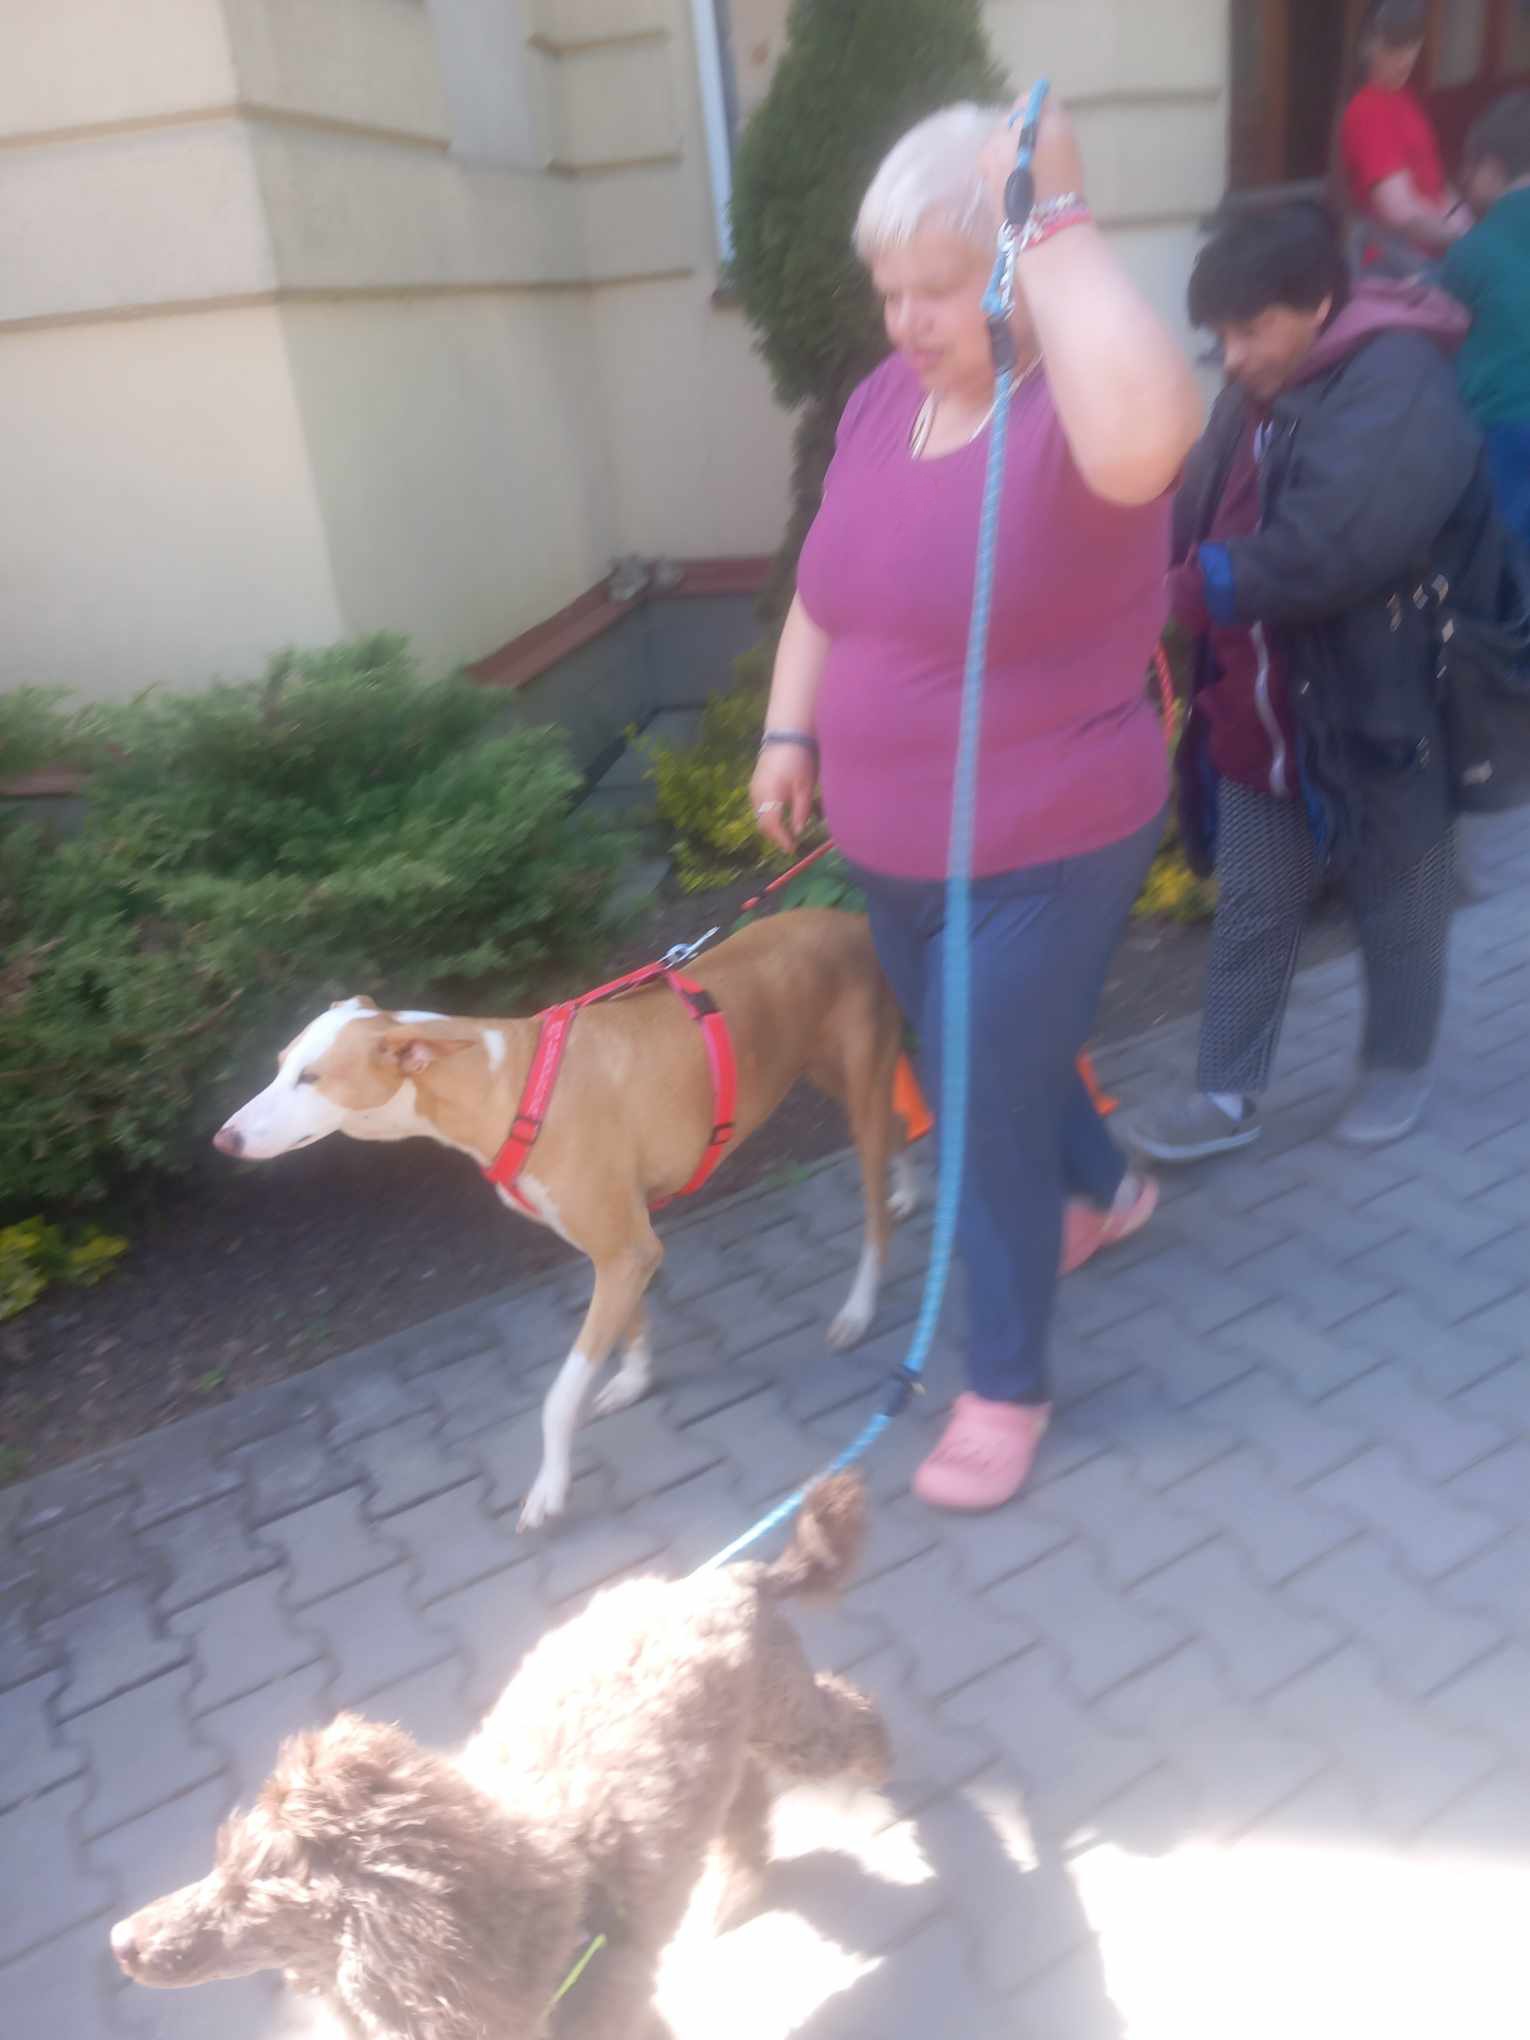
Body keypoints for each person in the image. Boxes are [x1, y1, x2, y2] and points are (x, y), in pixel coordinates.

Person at [747, 97, 1203, 1512]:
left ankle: (1002, 1384)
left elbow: (1155, 435)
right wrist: (786, 730)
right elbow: (823, 593)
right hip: (893, 849)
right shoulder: (883, 406)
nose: (905, 321)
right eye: (889, 290)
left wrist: (1053, 209)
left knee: (973, 1098)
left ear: (1013, 263)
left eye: (939, 287)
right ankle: (1106, 1191)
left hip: (1045, 841)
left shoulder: (1077, 406)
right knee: (986, 1053)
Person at [1123, 202, 1497, 1168]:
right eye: (1221, 335)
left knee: (1400, 894)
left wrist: (1181, 591)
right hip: (1260, 713)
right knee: (1254, 905)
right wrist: (1126, 568)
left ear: (1320, 304)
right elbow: (1194, 507)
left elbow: (1336, 544)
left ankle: (1396, 1065)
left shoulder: (1397, 381)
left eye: (1252, 329)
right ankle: (1225, 1093)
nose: (1234, 355)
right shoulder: (1251, 390)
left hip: (1382, 706)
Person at [1440, 92, 1530, 548]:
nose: (1462, 180)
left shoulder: (1474, 249)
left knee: (1498, 562)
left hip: (1505, 434)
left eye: (1469, 169)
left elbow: (1434, 338)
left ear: (1492, 169)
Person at [1339, 0, 1468, 274]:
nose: (1405, 59)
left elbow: (1437, 181)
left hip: (1433, 250)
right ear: (1366, 47)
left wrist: (1463, 218)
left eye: (1412, 44)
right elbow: (1400, 211)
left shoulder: (1404, 98)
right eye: (1393, 47)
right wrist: (1464, 237)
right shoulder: (1368, 110)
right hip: (1398, 265)